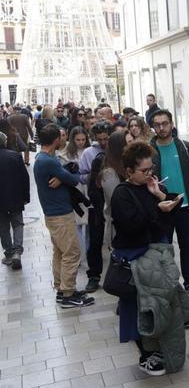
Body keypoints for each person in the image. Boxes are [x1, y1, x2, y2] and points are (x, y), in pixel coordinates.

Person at [110, 141, 181, 376]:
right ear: (129, 171)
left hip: (154, 257)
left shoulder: (149, 188)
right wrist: (157, 209)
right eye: (145, 171)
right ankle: (146, 354)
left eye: (151, 169)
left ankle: (155, 345)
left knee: (159, 304)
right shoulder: (122, 193)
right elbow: (132, 227)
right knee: (137, 308)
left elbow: (164, 224)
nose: (150, 174)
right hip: (134, 258)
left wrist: (161, 196)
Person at [34, 124, 95, 308]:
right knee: (72, 252)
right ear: (56, 140)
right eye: (61, 137)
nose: (63, 139)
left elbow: (66, 176)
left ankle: (61, 289)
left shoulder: (41, 157)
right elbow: (74, 178)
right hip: (60, 214)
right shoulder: (49, 161)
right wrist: (65, 175)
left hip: (52, 214)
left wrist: (63, 176)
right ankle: (68, 294)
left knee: (60, 252)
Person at [150, 109, 189, 296]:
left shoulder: (184, 146)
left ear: (172, 124)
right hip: (162, 207)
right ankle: (169, 283)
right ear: (153, 127)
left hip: (184, 206)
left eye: (165, 123)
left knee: (186, 245)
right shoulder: (148, 150)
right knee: (164, 247)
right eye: (157, 124)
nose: (161, 127)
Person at [80, 121, 112, 293]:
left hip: (114, 203)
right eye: (100, 139)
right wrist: (94, 177)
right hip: (95, 204)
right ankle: (94, 276)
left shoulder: (116, 150)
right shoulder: (88, 153)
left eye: (106, 138)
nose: (103, 142)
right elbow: (82, 176)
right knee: (95, 241)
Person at [58, 126, 91, 268]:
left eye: (83, 139)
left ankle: (88, 253)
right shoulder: (65, 153)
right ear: (73, 139)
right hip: (75, 191)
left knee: (89, 223)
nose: (81, 142)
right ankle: (78, 255)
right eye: (78, 139)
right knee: (77, 224)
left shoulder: (89, 151)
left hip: (88, 190)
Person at [0, 130, 29, 270]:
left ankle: (9, 253)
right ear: (4, 142)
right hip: (15, 197)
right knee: (18, 224)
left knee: (3, 227)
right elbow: (25, 177)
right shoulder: (15, 156)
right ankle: (17, 251)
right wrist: (26, 196)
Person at [100, 131, 129, 250]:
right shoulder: (109, 174)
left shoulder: (125, 167)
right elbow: (118, 202)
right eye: (129, 143)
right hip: (120, 228)